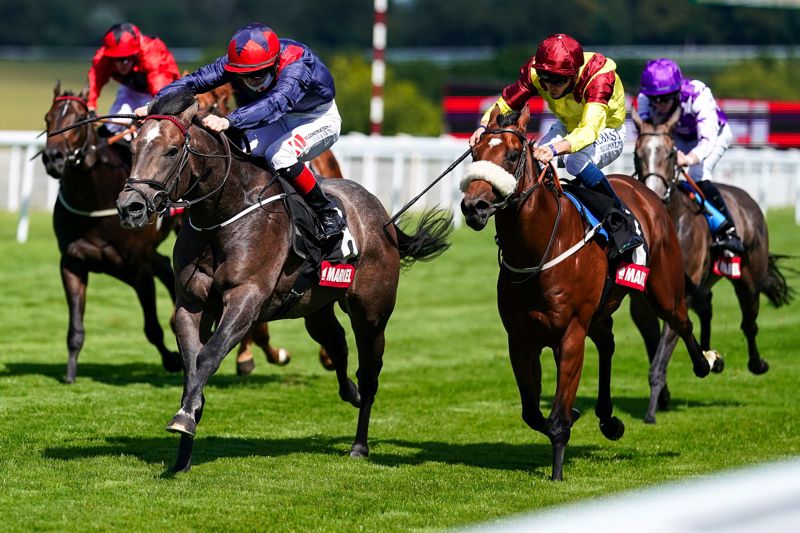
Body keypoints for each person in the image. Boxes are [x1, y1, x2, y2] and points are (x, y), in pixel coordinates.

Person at [138, 23, 345, 241]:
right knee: (239, 150)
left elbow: (275, 103)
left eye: (256, 74)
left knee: (279, 154)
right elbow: (194, 81)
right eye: (243, 75)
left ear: (274, 64)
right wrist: (156, 103)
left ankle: (327, 213)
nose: (250, 81)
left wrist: (229, 120)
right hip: (280, 118)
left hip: (318, 118)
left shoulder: (297, 64)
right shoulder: (239, 61)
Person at [470, 33, 642, 259]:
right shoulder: (534, 71)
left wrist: (553, 149)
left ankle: (621, 222)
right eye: (545, 79)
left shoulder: (599, 78)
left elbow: (589, 131)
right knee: (530, 160)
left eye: (559, 81)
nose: (550, 87)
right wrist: (483, 126)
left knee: (575, 161)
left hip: (607, 129)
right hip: (568, 125)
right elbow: (505, 104)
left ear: (574, 74)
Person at [636, 58, 743, 254]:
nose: (659, 104)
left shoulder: (698, 94)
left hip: (714, 136)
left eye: (666, 98)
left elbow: (707, 141)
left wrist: (688, 159)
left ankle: (727, 231)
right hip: (677, 137)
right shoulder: (644, 99)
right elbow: (647, 135)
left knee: (697, 174)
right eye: (655, 99)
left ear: (677, 91)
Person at [87, 23, 180, 135]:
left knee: (149, 131)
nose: (121, 64)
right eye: (116, 59)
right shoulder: (104, 56)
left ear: (136, 54)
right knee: (116, 122)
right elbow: (95, 79)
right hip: (130, 89)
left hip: (160, 94)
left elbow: (160, 89)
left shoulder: (152, 52)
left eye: (126, 59)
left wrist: (150, 109)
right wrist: (90, 105)